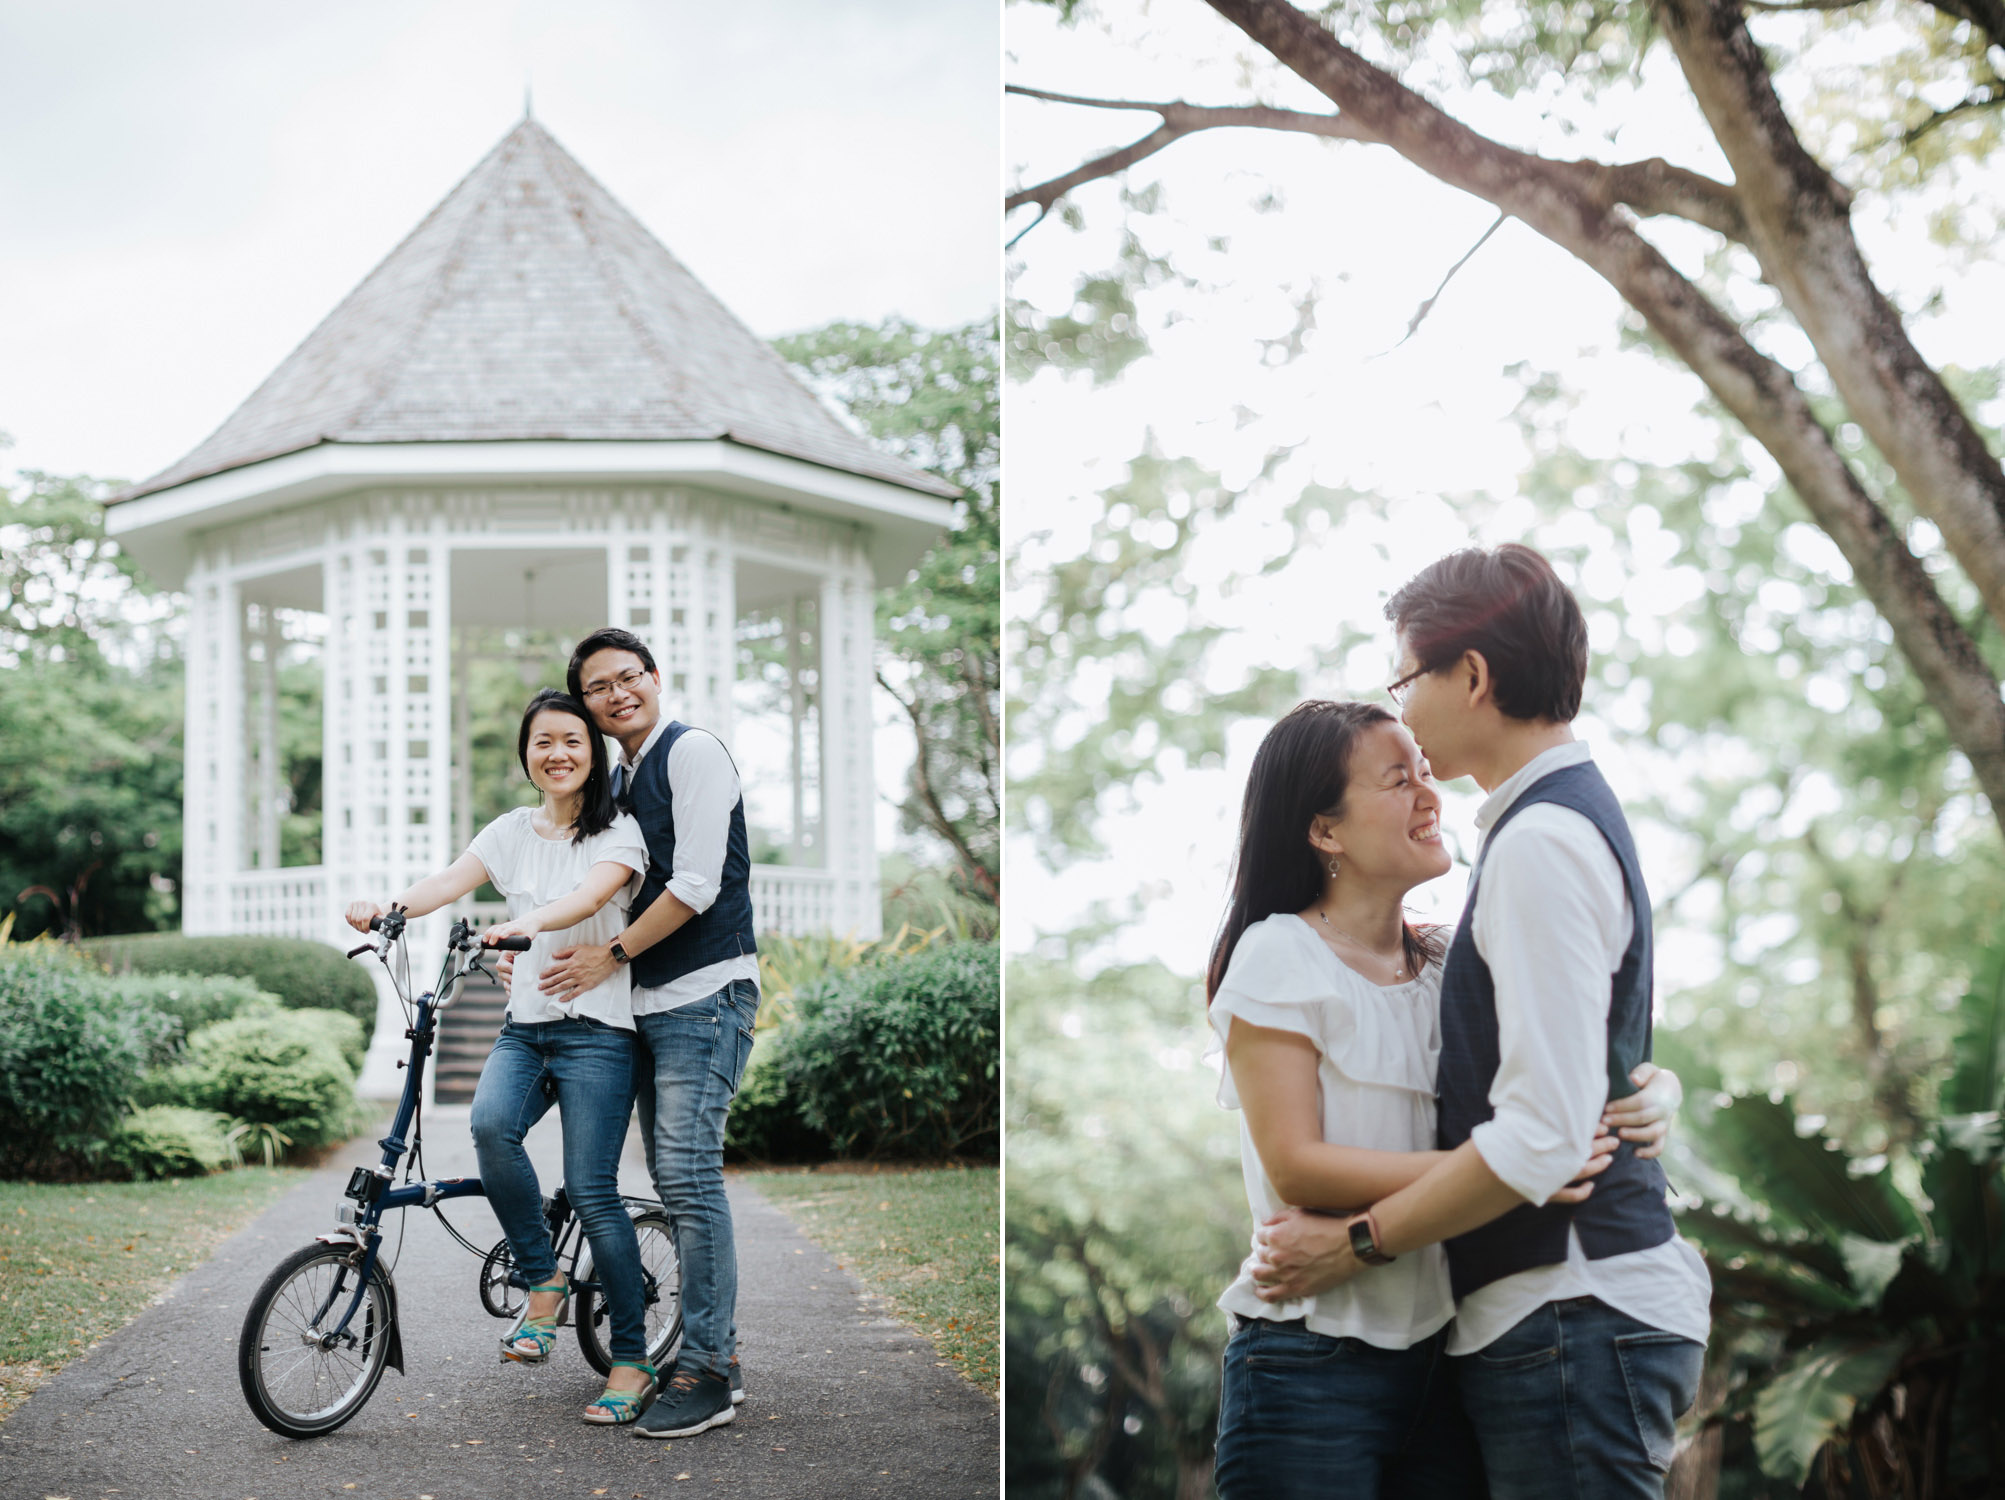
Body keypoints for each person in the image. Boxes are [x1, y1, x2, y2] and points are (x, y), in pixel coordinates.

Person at [1249, 545, 1712, 1498]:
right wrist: (1644, 1084)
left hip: (1573, 1306)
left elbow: (1542, 1136)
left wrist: (1357, 1241)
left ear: (1472, 675)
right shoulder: (1541, 829)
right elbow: (1571, 1066)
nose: (1405, 710)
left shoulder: (1540, 840)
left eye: (1405, 677)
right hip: (1551, 1317)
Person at [344, 688, 657, 1426]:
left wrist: (517, 926)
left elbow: (585, 899)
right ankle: (544, 1282)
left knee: (591, 1187)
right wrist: (389, 908)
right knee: (489, 1130)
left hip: (599, 1034)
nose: (558, 754)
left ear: (595, 755)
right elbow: (448, 882)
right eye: (543, 741)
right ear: (526, 754)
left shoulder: (621, 834)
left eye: (573, 742)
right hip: (526, 1027)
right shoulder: (512, 831)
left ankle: (634, 1359)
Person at [536, 627, 758, 1441]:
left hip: (706, 991)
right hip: (649, 1001)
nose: (616, 694)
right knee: (662, 1178)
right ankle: (698, 1351)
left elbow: (696, 884)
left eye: (628, 678)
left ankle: (708, 1369)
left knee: (689, 1179)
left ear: (654, 679)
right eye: (598, 688)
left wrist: (610, 955)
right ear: (587, 704)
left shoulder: (691, 752)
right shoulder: (618, 777)